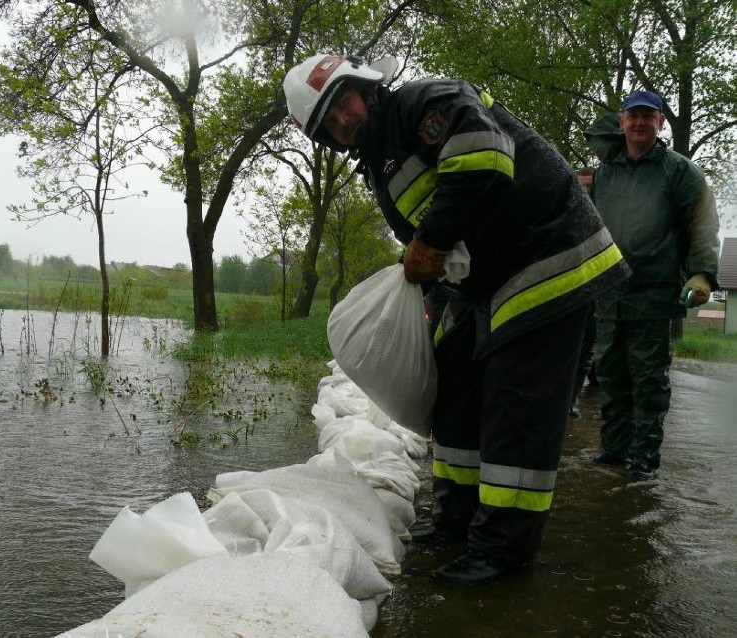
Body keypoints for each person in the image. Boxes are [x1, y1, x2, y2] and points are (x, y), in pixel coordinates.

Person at [283, 54, 630, 586]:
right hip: (484, 282)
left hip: (547, 255)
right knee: (456, 389)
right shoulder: (382, 162)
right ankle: (458, 518)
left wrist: (430, 241)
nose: (342, 121)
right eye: (328, 123)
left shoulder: (427, 102)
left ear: (365, 90)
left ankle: (503, 548)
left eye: (342, 105)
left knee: (517, 405)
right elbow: (439, 241)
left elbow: (483, 159)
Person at [583, 90, 720, 480]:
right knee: (610, 374)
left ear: (661, 122)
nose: (640, 122)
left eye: (649, 115)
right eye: (633, 115)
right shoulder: (606, 172)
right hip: (611, 294)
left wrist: (702, 273)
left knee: (648, 380)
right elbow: (591, 226)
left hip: (655, 293)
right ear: (622, 122)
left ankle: (643, 459)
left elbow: (703, 224)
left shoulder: (680, 171)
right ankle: (614, 448)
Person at [569, 167, 597, 420]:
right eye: (581, 186)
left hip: (593, 293)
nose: (585, 191)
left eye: (590, 186)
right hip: (564, 292)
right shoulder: (562, 213)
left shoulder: (606, 217)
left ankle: (572, 399)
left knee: (584, 349)